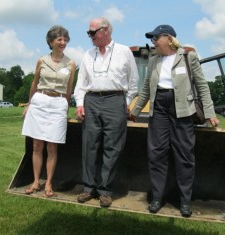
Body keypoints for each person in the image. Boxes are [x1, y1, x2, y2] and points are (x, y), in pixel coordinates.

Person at [129, 24, 219, 217]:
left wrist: (210, 112)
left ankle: (185, 201)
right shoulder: (153, 61)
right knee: (156, 154)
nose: (153, 42)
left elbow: (202, 86)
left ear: (168, 39)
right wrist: (134, 110)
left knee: (184, 156)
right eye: (152, 39)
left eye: (156, 38)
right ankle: (157, 197)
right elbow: (146, 89)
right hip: (159, 109)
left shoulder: (188, 57)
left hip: (182, 111)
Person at [74, 17, 139, 207]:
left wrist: (124, 103)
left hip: (115, 100)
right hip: (91, 100)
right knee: (90, 145)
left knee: (113, 147)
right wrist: (80, 103)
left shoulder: (124, 52)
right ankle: (88, 188)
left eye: (92, 32)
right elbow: (81, 83)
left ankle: (105, 191)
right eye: (89, 32)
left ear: (106, 31)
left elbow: (133, 83)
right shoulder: (87, 54)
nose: (89, 36)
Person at [22, 25, 76, 197]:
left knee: (52, 147)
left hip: (58, 104)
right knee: (37, 145)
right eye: (59, 39)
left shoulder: (71, 64)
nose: (63, 42)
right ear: (51, 41)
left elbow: (69, 90)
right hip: (40, 101)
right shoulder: (41, 61)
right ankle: (36, 181)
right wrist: (30, 104)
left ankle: (49, 184)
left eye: (65, 39)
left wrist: (65, 108)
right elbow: (34, 83)